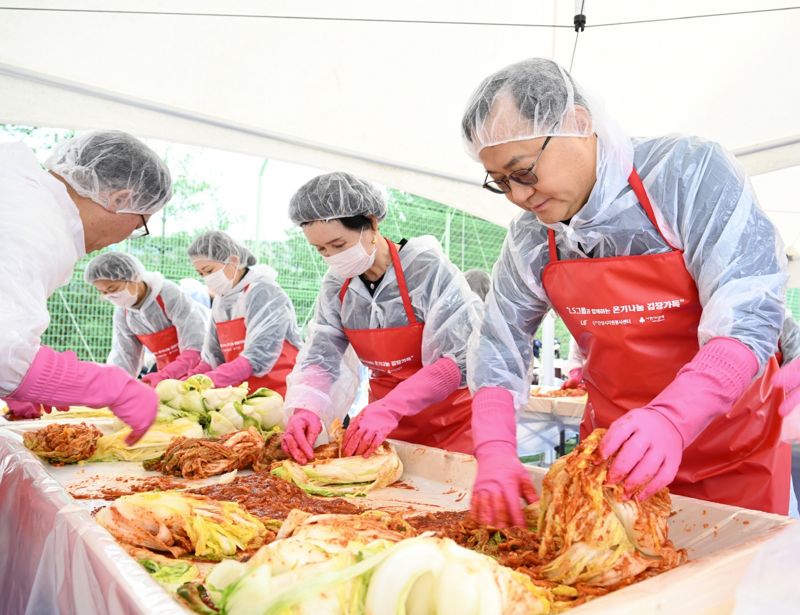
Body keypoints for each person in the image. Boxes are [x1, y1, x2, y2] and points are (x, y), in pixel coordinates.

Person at [462, 58, 789, 526]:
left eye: (524, 171)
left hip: (731, 456)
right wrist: (494, 448)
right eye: (501, 183)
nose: (518, 196)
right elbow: (498, 344)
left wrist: (674, 419)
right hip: (613, 469)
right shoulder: (534, 236)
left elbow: (749, 312)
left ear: (577, 122)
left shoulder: (686, 175)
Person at [281, 172, 483, 464]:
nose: (332, 257)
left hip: (450, 424)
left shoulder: (426, 269)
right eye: (321, 250)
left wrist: (392, 407)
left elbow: (461, 359)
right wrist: (307, 408)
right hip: (383, 430)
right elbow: (322, 355)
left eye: (338, 245)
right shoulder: (338, 285)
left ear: (371, 223)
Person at [0, 130, 172, 443]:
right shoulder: (32, 226)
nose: (125, 237)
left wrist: (20, 381)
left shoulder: (21, 196)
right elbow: (3, 350)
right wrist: (109, 386)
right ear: (120, 199)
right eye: (137, 226)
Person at [186, 231, 302, 395]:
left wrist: (208, 381)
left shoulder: (263, 292)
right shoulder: (220, 302)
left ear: (233, 261)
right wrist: (187, 381)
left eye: (209, 270)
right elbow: (213, 358)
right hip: (247, 397)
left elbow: (257, 357)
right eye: (201, 274)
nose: (206, 278)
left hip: (283, 392)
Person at [84, 251, 208, 387]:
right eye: (103, 293)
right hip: (167, 373)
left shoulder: (168, 294)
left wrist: (165, 375)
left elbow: (197, 346)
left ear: (133, 278)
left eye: (113, 289)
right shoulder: (123, 313)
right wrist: (112, 386)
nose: (110, 296)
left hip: (202, 367)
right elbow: (124, 357)